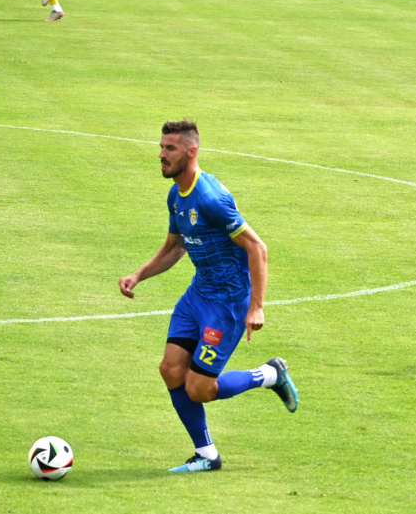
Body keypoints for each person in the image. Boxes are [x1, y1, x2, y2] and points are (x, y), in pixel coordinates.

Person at [119, 120, 298, 471]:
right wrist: (139, 274)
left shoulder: (211, 199)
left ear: (192, 151)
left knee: (199, 389)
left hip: (227, 305)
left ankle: (271, 374)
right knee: (171, 370)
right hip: (197, 296)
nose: (161, 155)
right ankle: (207, 455)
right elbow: (175, 247)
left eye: (170, 149)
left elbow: (257, 249)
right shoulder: (176, 195)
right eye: (161, 147)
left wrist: (256, 307)